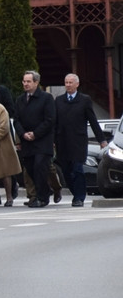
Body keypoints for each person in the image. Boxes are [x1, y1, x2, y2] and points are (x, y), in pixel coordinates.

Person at [54, 73, 105, 206]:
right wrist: (53, 139)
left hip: (78, 142)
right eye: (66, 82)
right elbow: (55, 122)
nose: (68, 85)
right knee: (66, 170)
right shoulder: (58, 100)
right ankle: (74, 191)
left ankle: (79, 197)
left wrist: (102, 140)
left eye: (71, 82)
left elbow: (93, 120)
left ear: (77, 84)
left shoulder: (84, 100)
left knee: (77, 169)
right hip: (62, 142)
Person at [14, 70, 56, 208]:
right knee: (31, 169)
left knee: (40, 167)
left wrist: (35, 134)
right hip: (27, 142)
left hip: (42, 141)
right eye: (24, 81)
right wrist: (23, 134)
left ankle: (42, 197)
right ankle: (45, 190)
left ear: (36, 83)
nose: (25, 84)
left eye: (28, 81)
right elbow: (17, 120)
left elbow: (49, 120)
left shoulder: (46, 98)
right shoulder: (20, 99)